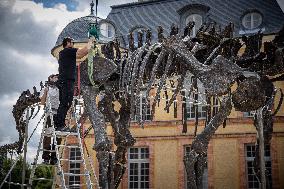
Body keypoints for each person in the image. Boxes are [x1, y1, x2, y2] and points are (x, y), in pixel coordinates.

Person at [55, 37, 94, 131]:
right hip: (66, 81)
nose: (74, 44)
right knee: (65, 103)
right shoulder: (67, 51)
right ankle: (59, 125)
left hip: (65, 81)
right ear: (68, 43)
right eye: (73, 42)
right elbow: (82, 53)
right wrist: (90, 42)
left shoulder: (64, 53)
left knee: (66, 103)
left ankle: (60, 124)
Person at [40, 74, 61, 165]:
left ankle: (54, 157)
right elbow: (42, 102)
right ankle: (45, 157)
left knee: (59, 136)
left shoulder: (61, 89)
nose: (57, 78)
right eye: (55, 77)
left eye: (58, 77)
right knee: (48, 135)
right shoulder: (46, 88)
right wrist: (45, 91)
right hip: (50, 113)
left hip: (60, 114)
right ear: (50, 78)